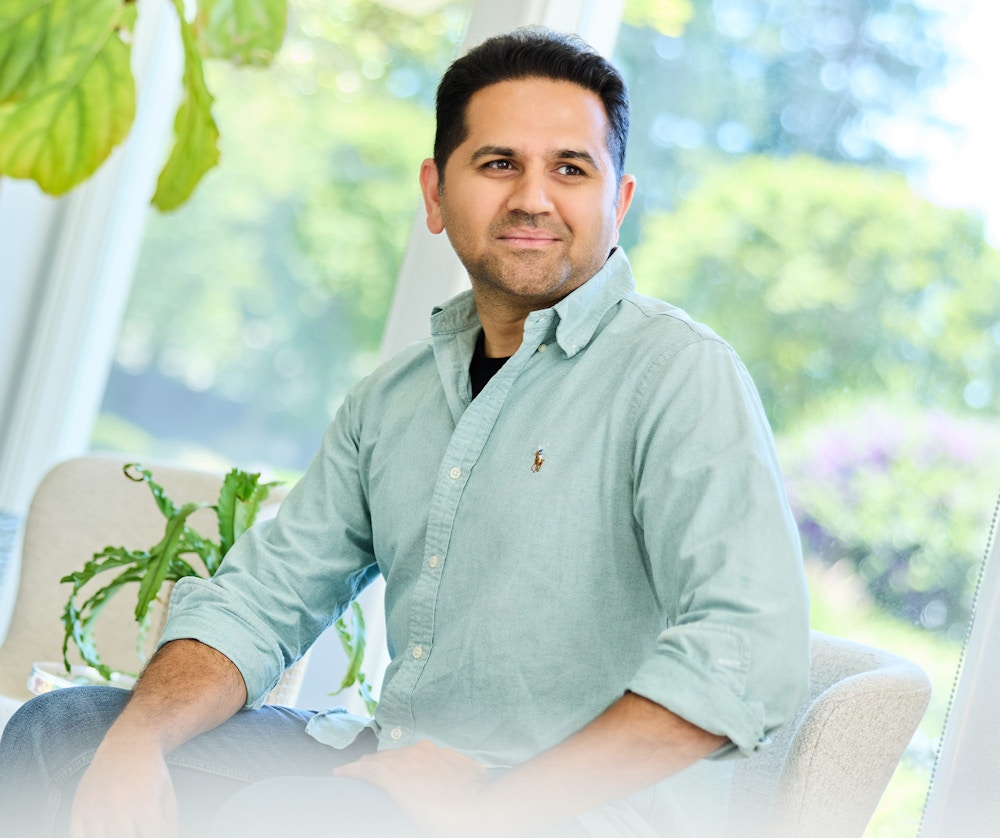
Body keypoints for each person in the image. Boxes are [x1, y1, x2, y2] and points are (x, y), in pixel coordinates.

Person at [0, 26, 809, 838]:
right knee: (61, 736)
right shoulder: (392, 400)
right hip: (399, 765)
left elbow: (745, 650)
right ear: (435, 192)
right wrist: (137, 740)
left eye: (571, 168)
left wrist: (494, 804)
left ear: (618, 200)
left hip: (584, 810)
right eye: (499, 164)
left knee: (286, 816)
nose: (534, 196)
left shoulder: (678, 374)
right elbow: (261, 602)